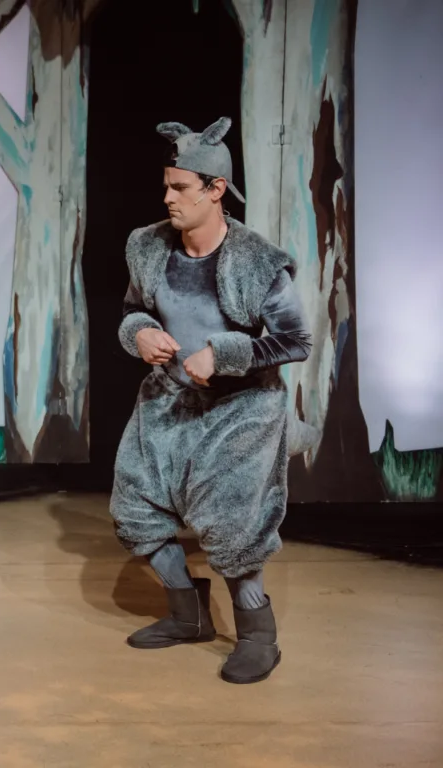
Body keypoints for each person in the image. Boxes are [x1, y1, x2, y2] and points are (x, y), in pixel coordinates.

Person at [110, 117, 312, 684]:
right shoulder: (148, 246)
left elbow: (296, 340)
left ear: (215, 189)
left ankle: (258, 636)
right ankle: (188, 615)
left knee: (232, 525)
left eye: (180, 188)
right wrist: (140, 333)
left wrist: (222, 354)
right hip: (168, 400)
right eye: (166, 186)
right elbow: (133, 309)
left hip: (240, 408)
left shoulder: (256, 260)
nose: (168, 198)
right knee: (135, 511)